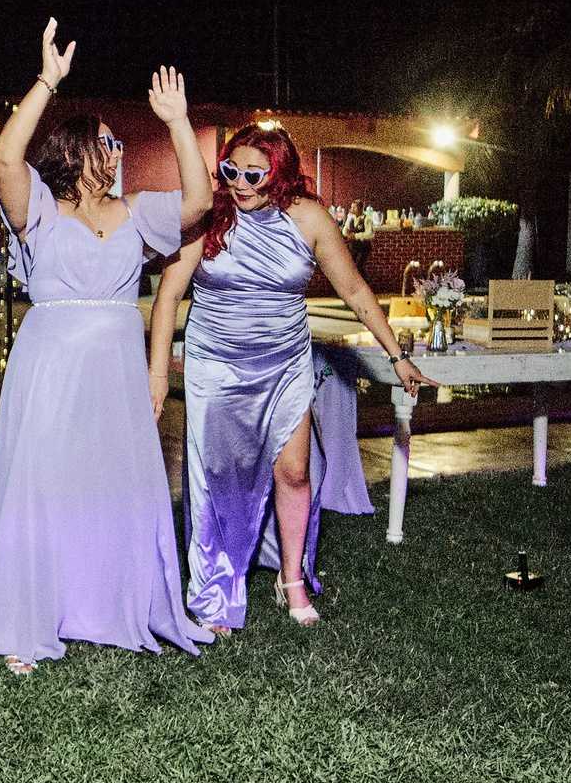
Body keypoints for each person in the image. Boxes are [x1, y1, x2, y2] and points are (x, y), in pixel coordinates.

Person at [0, 19, 215, 673]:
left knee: (113, 483)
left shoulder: (139, 211)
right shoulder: (40, 210)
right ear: (77, 151)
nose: (117, 152)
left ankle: (110, 603)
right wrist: (48, 80)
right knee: (45, 481)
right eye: (106, 142)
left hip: (113, 363)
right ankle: (30, 620)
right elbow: (3, 158)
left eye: (119, 144)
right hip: (50, 363)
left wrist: (178, 123)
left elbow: (199, 202)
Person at [149, 124, 434, 630]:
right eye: (230, 171)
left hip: (284, 363)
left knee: (296, 471)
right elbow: (169, 296)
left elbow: (356, 291)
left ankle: (292, 577)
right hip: (217, 365)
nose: (239, 183)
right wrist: (157, 374)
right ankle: (215, 589)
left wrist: (397, 357)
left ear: (279, 172)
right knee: (217, 480)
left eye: (253, 174)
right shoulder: (210, 216)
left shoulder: (309, 218)